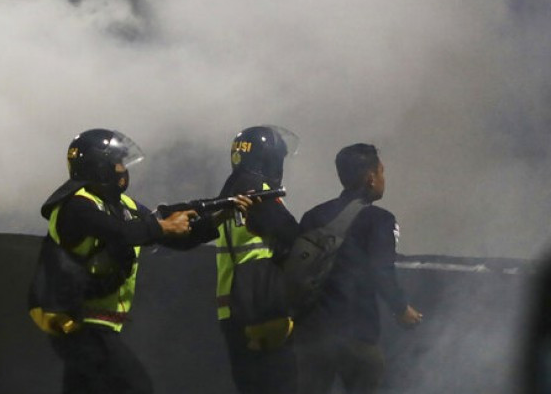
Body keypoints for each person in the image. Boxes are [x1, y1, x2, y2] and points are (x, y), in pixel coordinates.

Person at [37, 128, 196, 394]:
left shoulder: (123, 205)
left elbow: (169, 235)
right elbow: (122, 233)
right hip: (81, 324)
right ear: (100, 167)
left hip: (96, 325)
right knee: (135, 387)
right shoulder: (76, 205)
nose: (124, 170)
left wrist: (213, 220)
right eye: (118, 163)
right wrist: (163, 227)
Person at [294, 143, 423, 393]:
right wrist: (401, 308)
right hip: (356, 333)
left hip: (312, 334)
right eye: (382, 172)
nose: (384, 179)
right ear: (371, 177)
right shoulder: (380, 220)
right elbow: (381, 271)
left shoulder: (313, 216)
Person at [190, 125, 301, 394]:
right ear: (269, 158)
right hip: (260, 305)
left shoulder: (230, 189)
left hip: (233, 305)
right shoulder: (257, 189)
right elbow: (291, 234)